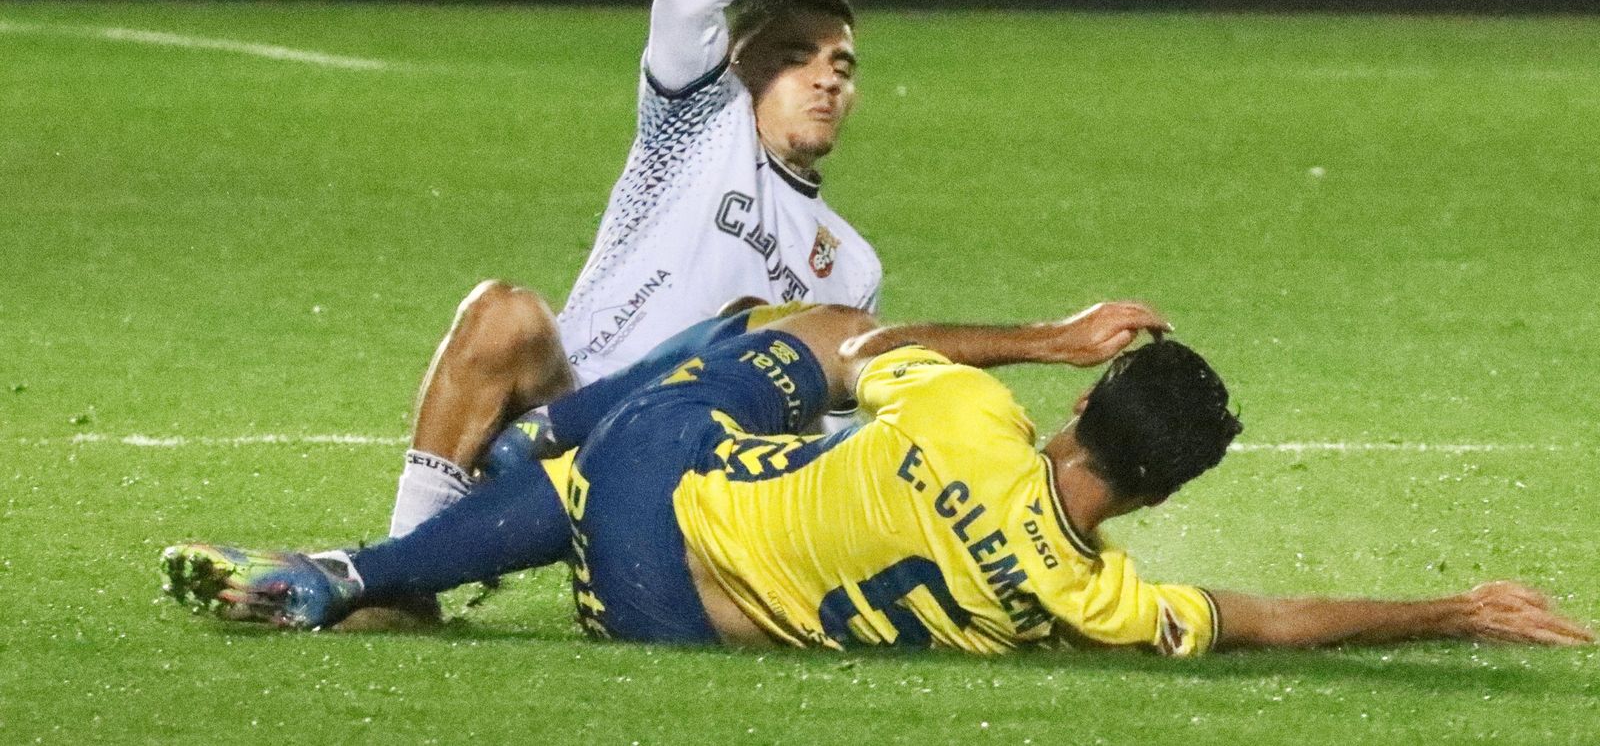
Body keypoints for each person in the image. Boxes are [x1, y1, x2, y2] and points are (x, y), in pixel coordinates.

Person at [163, 297, 1593, 653]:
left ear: (1085, 397)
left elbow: (871, 343)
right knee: (744, 415)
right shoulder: (1089, 600)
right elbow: (1263, 620)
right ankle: (378, 566)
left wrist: (1038, 334)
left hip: (644, 501)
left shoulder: (970, 415)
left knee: (760, 350)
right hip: (667, 625)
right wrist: (1452, 608)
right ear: (1161, 497)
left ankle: (374, 561)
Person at [378, 0, 904, 559]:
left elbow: (826, 416)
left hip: (692, 473)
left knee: (759, 336)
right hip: (570, 413)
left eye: (842, 67)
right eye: (795, 57)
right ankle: (401, 566)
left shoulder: (853, 265)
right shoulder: (696, 126)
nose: (826, 77)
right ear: (740, 65)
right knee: (504, 315)